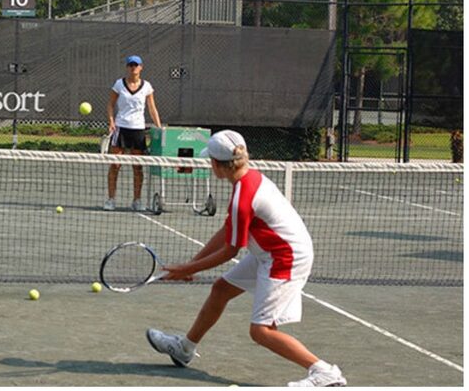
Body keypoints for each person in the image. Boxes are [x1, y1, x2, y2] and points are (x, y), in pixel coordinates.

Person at [145, 130, 346, 387]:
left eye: (210, 162)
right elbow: (226, 232)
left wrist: (187, 268)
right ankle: (185, 348)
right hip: (270, 252)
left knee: (261, 331)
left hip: (286, 257)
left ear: (217, 165)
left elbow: (230, 250)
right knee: (220, 289)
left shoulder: (244, 197)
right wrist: (191, 265)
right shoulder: (247, 181)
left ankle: (324, 372)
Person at [104, 55, 162, 211]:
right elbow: (110, 104)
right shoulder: (119, 84)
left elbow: (152, 109)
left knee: (137, 167)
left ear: (141, 67)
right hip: (121, 128)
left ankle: (137, 200)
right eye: (130, 65)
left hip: (138, 130)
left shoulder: (147, 87)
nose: (133, 68)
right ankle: (111, 200)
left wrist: (159, 128)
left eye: (136, 65)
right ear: (127, 67)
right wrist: (111, 122)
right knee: (115, 165)